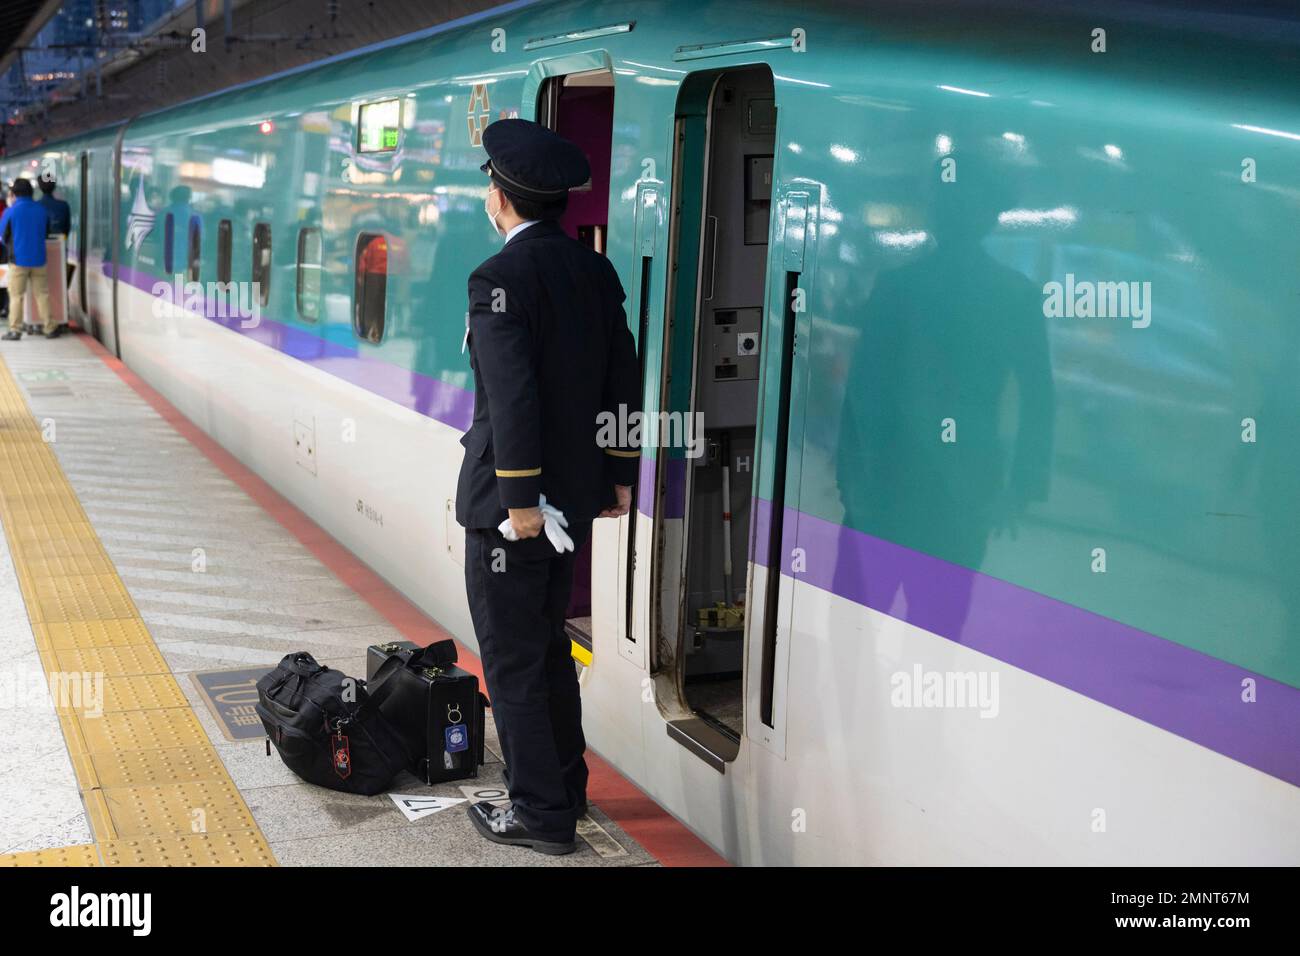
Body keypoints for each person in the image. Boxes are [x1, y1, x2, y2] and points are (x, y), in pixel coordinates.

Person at [457, 118, 641, 855]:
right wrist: (619, 474)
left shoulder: (497, 279)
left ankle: (539, 814)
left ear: (500, 198)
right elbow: (623, 375)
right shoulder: (593, 270)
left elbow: (513, 397)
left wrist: (521, 500)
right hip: (577, 500)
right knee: (549, 648)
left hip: (517, 514)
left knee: (514, 660)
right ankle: (565, 786)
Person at [0, 178, 55, 339]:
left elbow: (2, 236)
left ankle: (15, 330)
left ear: (14, 194)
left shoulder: (10, 211)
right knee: (42, 294)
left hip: (18, 261)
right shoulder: (41, 210)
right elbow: (47, 233)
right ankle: (49, 327)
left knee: (16, 295)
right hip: (39, 259)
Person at [38, 175, 74, 297]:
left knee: (42, 283)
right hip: (59, 249)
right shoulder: (63, 206)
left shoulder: (36, 206)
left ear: (39, 187)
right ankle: (62, 308)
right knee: (60, 281)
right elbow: (66, 229)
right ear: (54, 187)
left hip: (40, 251)